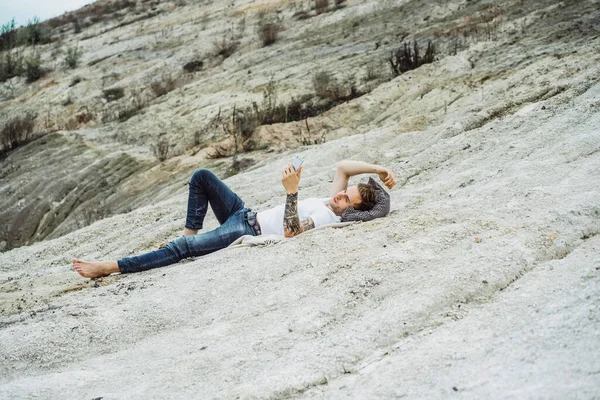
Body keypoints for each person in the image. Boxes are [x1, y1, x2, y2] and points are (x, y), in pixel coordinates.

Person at [72, 160, 397, 278]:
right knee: (202, 176)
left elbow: (291, 232)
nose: (338, 194)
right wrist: (378, 171)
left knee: (185, 247)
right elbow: (343, 167)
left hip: (244, 228)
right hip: (243, 212)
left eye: (345, 198)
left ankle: (110, 266)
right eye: (345, 191)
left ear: (349, 210)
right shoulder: (334, 199)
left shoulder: (329, 217)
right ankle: (188, 236)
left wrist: (292, 192)